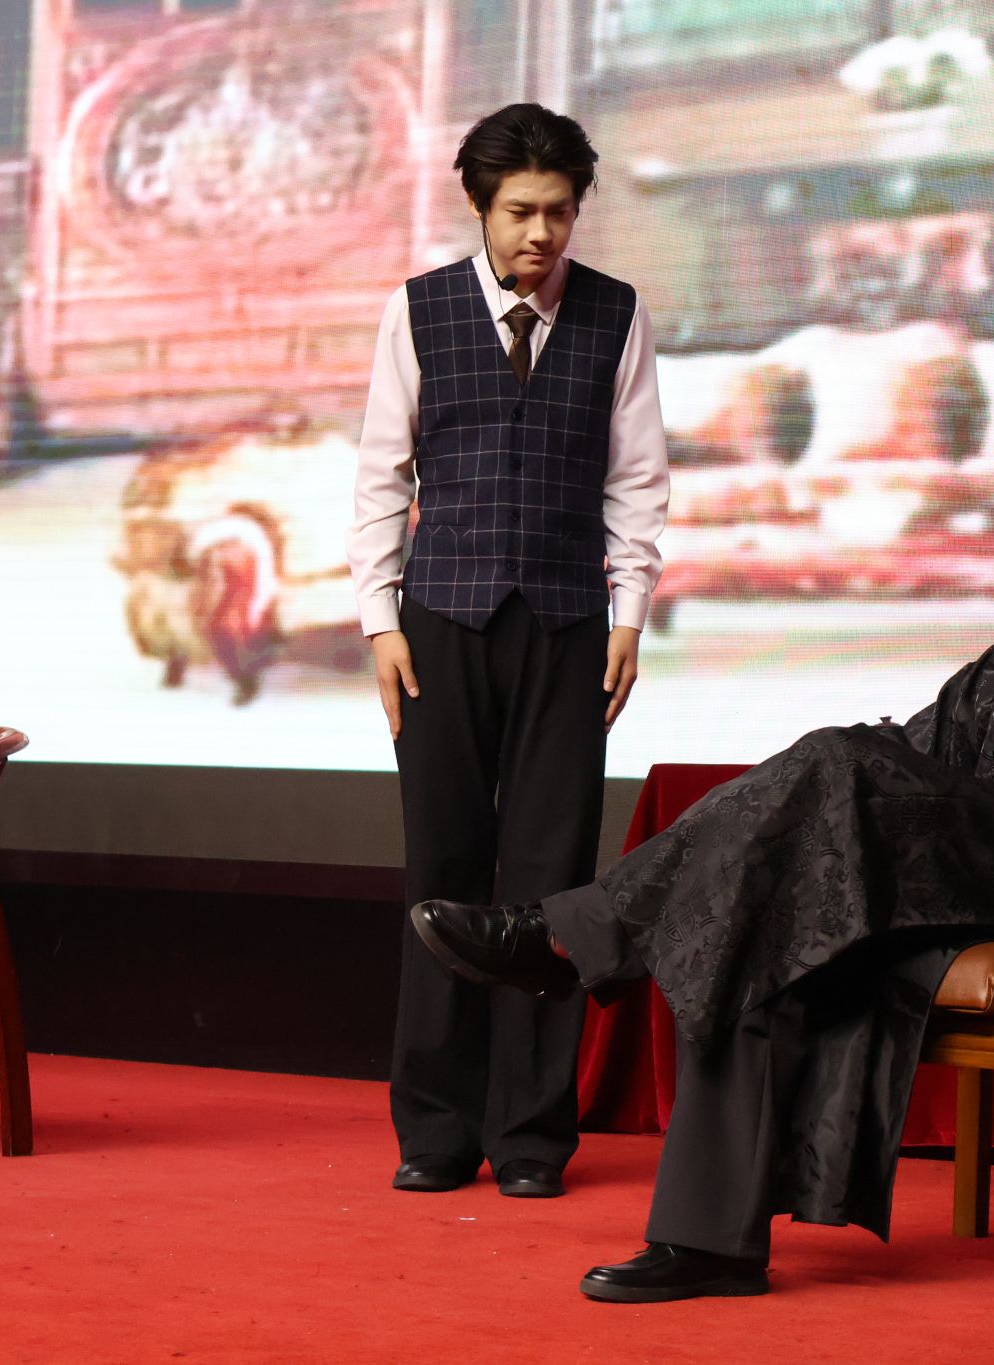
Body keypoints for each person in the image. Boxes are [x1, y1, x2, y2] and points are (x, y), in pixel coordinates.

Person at [413, 418, 994, 1299]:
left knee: (824, 776)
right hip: (947, 881)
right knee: (755, 905)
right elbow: (915, 762)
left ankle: (568, 937)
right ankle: (708, 1244)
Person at [346, 104, 669, 1200]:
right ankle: (436, 1127)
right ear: (480, 208)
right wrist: (379, 621)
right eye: (522, 211)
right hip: (440, 621)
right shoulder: (419, 310)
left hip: (570, 626)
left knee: (550, 882)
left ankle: (530, 1133)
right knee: (441, 869)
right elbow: (382, 474)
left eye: (559, 212)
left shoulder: (616, 313)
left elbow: (637, 477)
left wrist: (629, 613)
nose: (541, 233)